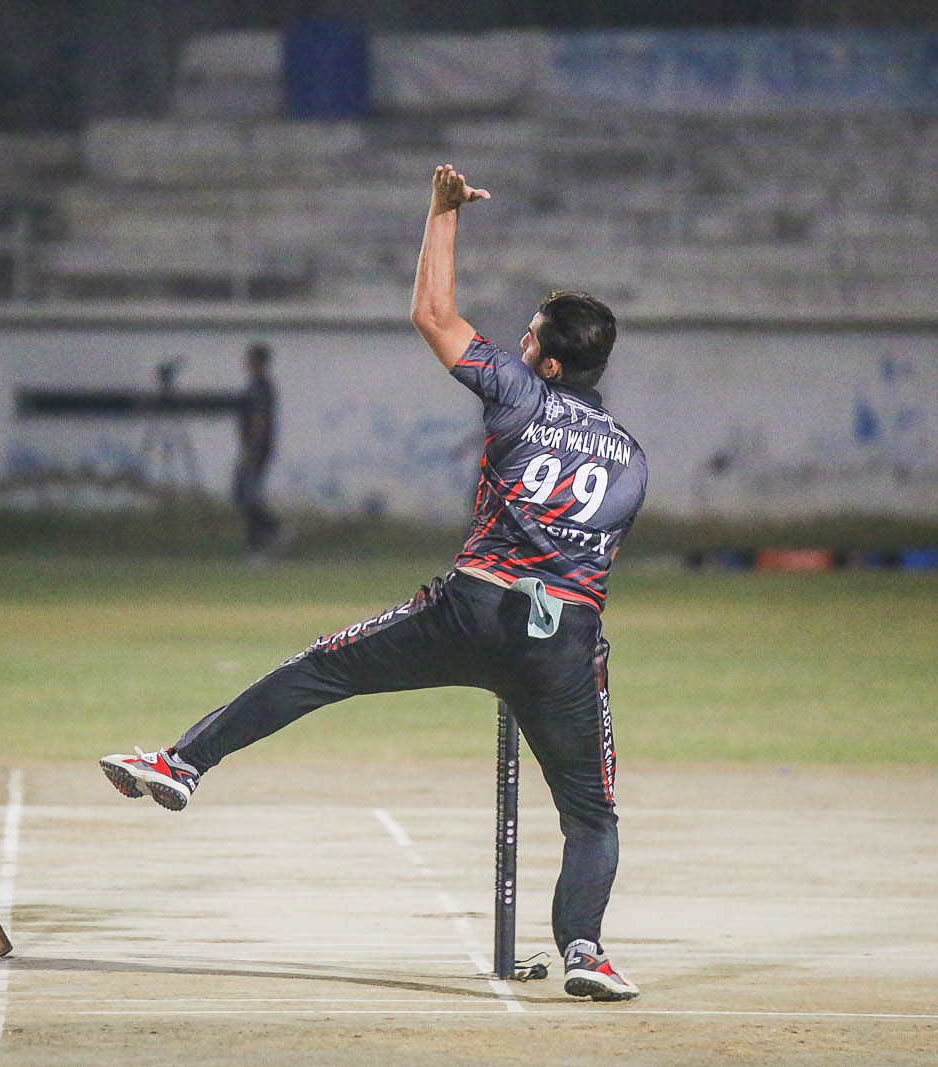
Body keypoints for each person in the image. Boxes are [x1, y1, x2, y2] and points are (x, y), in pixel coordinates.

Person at [100, 166, 649, 1001]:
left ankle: (182, 763)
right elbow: (592, 561)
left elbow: (432, 314)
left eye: (528, 336)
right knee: (591, 814)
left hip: (472, 608)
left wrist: (442, 213)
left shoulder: (520, 392)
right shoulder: (634, 458)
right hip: (563, 640)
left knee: (323, 667)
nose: (518, 345)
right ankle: (585, 949)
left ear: (547, 359)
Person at [232, 342, 279, 553]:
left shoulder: (261, 387)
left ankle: (263, 535)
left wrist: (252, 450)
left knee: (246, 493)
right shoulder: (255, 386)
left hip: (256, 448)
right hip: (253, 447)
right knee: (244, 494)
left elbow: (260, 420)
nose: (246, 364)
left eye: (250, 360)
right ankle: (263, 534)